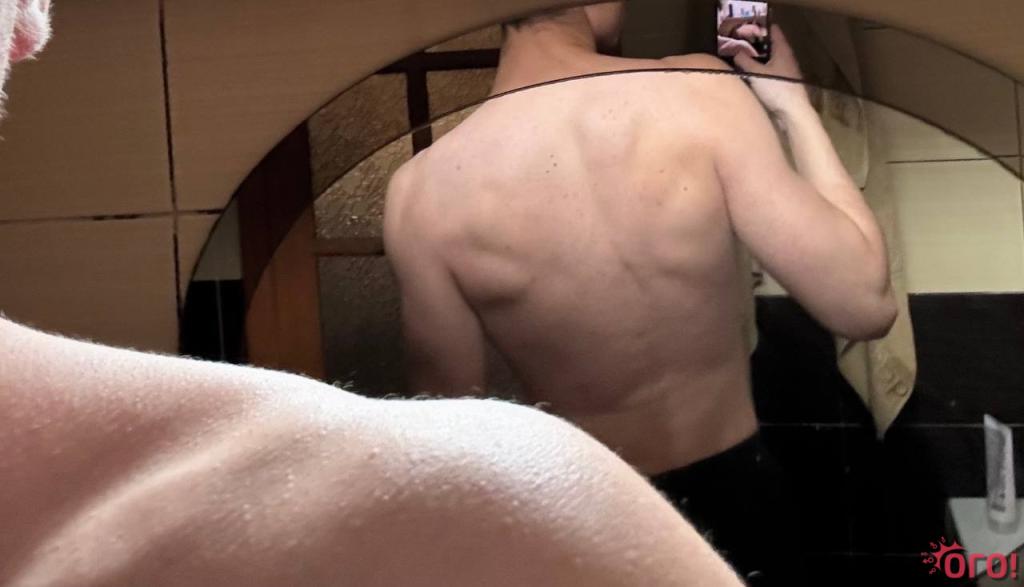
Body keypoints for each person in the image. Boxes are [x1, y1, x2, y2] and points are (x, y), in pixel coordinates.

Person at [0, 1, 745, 585]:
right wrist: (785, 97)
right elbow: (843, 294)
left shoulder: (422, 191)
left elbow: (450, 389)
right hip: (740, 473)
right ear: (29, 17)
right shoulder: (490, 524)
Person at [385, 2, 896, 583]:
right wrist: (790, 104)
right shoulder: (698, 93)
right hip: (739, 504)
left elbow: (456, 455)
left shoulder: (420, 196)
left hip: (580, 525)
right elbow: (864, 304)